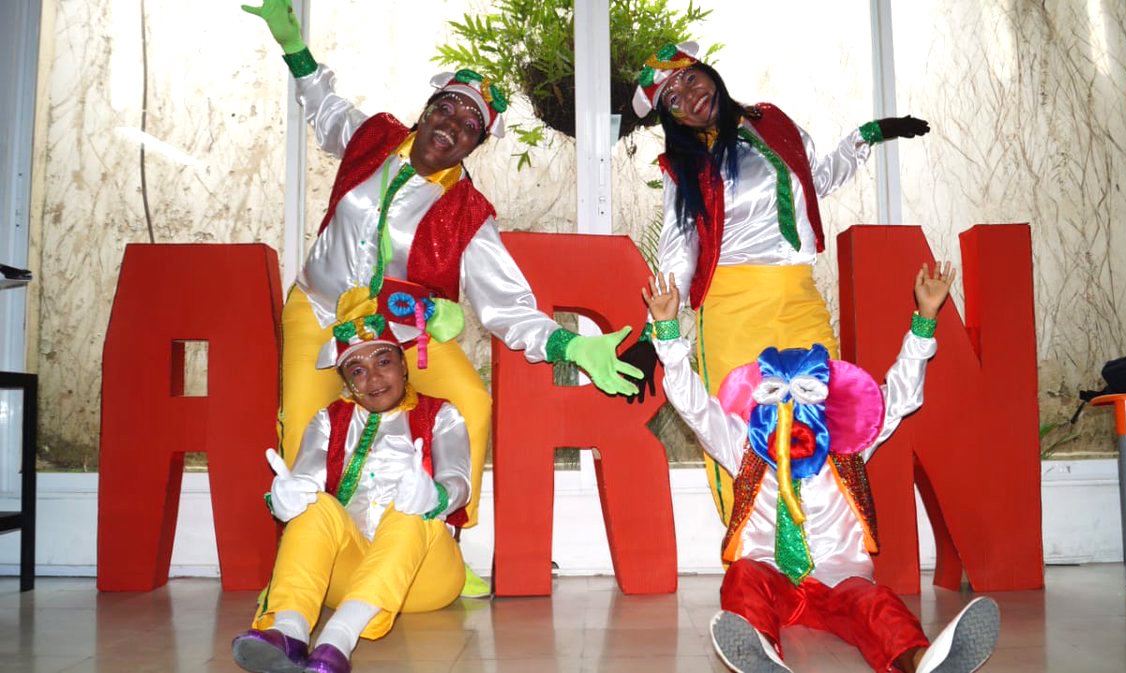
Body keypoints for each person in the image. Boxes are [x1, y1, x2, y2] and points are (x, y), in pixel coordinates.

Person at [243, 0, 643, 596]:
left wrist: (569, 345)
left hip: (404, 335)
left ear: (474, 144)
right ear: (426, 112)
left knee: (471, 405)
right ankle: (306, 562)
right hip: (321, 311)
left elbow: (506, 305)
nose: (452, 122)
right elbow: (322, 107)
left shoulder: (468, 214)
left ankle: (443, 543)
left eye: (469, 123)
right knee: (307, 423)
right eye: (446, 106)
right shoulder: (372, 138)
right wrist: (292, 42)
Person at [622, 42, 930, 523]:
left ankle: (824, 545)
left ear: (708, 72)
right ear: (672, 121)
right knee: (739, 431)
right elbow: (679, 249)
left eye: (687, 79)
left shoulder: (772, 122)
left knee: (830, 414)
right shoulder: (685, 167)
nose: (686, 97)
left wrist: (869, 135)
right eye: (671, 102)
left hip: (798, 296)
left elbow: (815, 181)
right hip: (732, 307)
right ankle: (751, 557)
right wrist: (651, 333)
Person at [641, 262, 1000, 673]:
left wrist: (926, 318)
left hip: (839, 578)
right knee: (742, 577)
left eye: (806, 397)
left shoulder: (848, 445)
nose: (792, 411)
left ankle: (923, 662)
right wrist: (667, 332)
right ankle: (758, 655)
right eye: (779, 397)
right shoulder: (743, 444)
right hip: (772, 574)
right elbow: (695, 407)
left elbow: (900, 394)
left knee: (875, 604)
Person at [232, 288, 473, 673]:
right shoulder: (329, 419)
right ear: (346, 380)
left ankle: (338, 638)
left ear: (403, 364)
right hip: (350, 572)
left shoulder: (441, 414)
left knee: (412, 510)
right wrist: (286, 497)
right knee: (317, 505)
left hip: (425, 578)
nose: (374, 378)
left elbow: (459, 481)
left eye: (383, 361)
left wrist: (436, 495)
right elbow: (307, 484)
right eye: (357, 370)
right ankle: (291, 630)